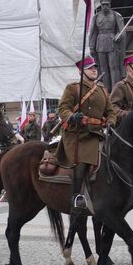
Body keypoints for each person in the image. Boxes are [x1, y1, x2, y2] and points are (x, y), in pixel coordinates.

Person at [56, 56, 117, 215]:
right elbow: (63, 108)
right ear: (81, 71)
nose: (94, 70)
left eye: (95, 67)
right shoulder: (73, 88)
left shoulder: (102, 90)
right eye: (90, 68)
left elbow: (111, 111)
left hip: (97, 133)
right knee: (82, 160)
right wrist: (71, 116)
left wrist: (111, 121)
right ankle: (77, 197)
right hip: (78, 134)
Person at [88, 0, 126, 91]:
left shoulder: (115, 15)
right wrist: (92, 47)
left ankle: (115, 89)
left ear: (110, 5)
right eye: (103, 4)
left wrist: (118, 35)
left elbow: (122, 30)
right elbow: (93, 33)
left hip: (112, 43)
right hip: (100, 44)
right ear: (100, 5)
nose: (105, 6)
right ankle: (106, 89)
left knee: (114, 67)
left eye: (107, 4)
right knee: (103, 68)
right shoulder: (96, 17)